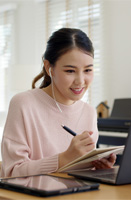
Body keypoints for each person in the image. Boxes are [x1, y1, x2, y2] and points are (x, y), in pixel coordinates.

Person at [0, 28, 116, 177]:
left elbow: (79, 175)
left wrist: (98, 167)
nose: (80, 81)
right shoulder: (23, 103)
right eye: (70, 71)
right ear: (49, 68)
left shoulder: (89, 112)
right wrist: (64, 159)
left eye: (87, 70)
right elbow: (12, 172)